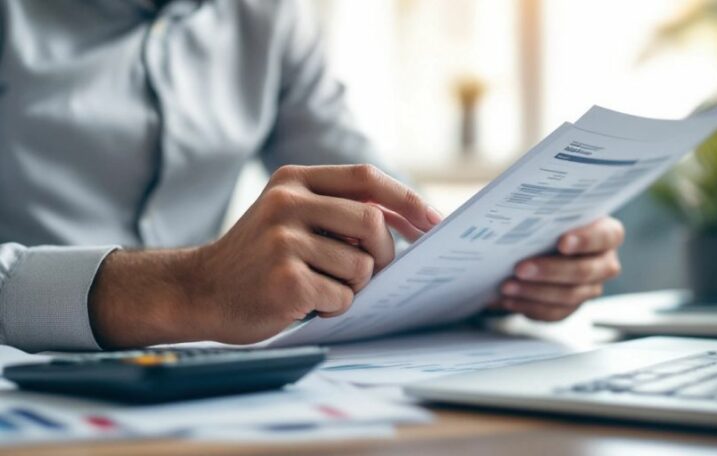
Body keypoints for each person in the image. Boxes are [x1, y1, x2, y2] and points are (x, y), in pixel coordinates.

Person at [0, 0, 624, 352]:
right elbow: (204, 288)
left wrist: (504, 268)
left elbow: (384, 208)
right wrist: (191, 287)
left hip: (197, 389)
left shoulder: (267, 18)